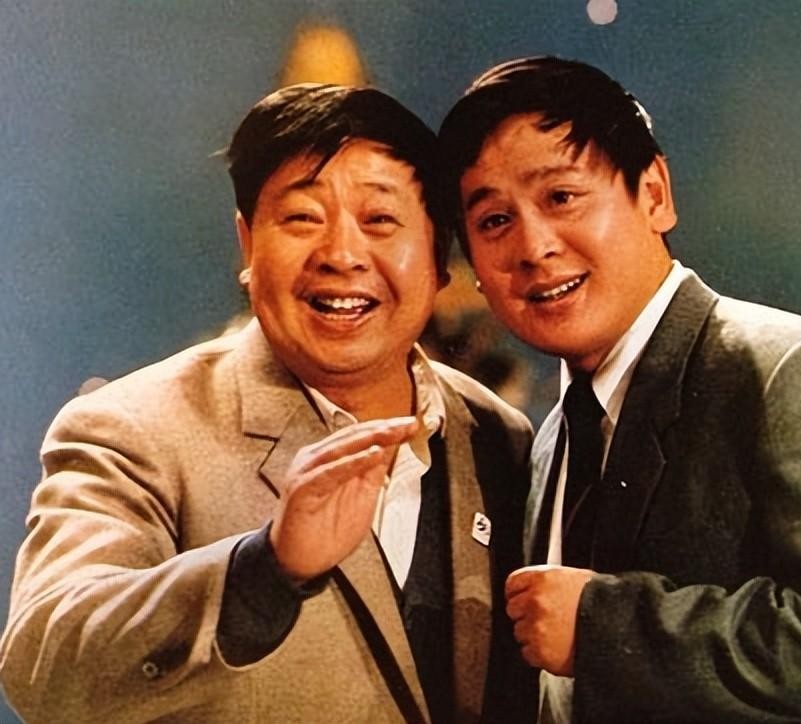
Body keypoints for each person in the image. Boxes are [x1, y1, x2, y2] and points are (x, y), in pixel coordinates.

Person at [0, 83, 535, 723]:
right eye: (303, 218)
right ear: (248, 245)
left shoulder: (499, 436)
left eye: (379, 220)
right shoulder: (130, 429)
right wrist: (263, 570)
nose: (341, 255)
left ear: (440, 256)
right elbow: (45, 663)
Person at [438, 56, 801, 723]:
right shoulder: (552, 436)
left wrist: (603, 628)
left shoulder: (789, 369)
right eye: (493, 221)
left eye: (561, 197)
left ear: (654, 193)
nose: (533, 246)